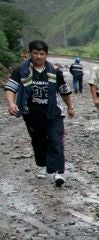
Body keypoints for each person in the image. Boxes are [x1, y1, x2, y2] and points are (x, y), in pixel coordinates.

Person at [4, 40, 76, 187]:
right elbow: (10, 88)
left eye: (42, 54)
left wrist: (70, 107)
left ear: (46, 55)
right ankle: (42, 164)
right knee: (38, 141)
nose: (38, 56)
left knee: (56, 141)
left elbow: (64, 91)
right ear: (30, 53)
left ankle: (57, 172)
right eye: (35, 53)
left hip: (53, 113)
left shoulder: (55, 72)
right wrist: (11, 103)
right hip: (32, 114)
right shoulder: (21, 70)